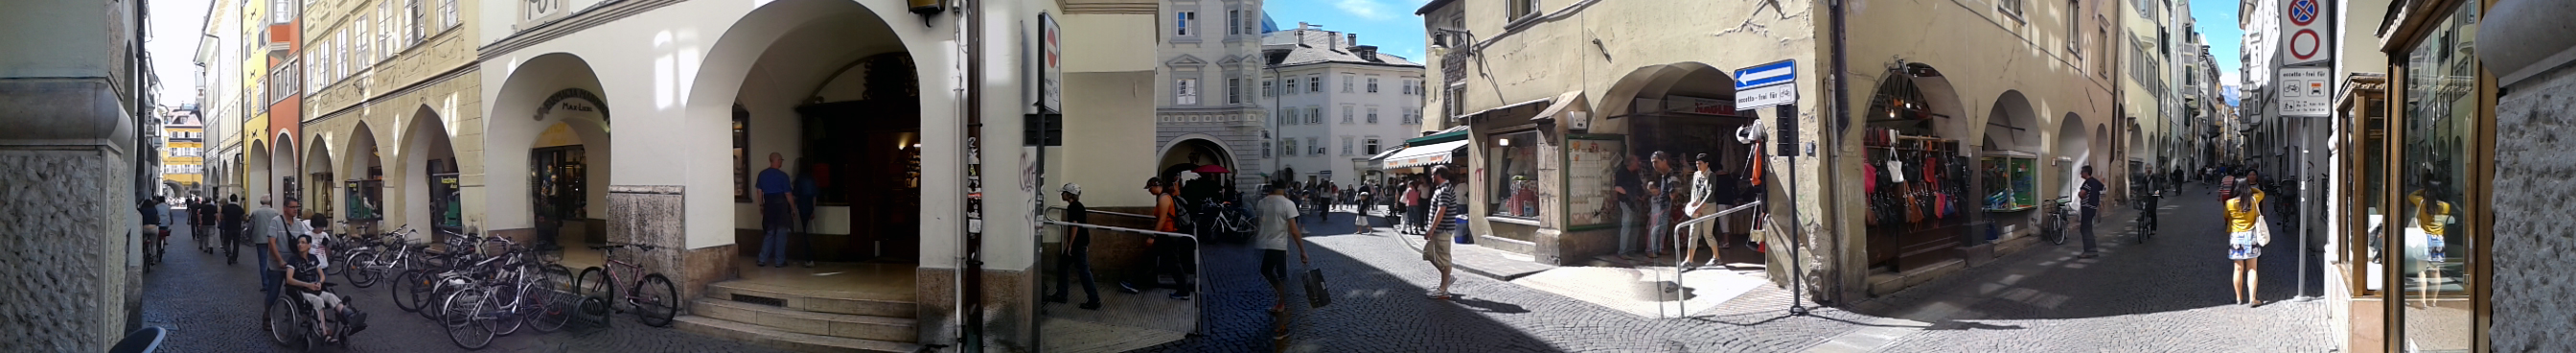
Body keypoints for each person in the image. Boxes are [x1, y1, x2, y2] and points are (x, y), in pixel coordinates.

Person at [282, 235, 362, 341]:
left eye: (303, 242)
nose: (300, 245)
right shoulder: (293, 260)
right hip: (300, 290)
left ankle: (351, 317)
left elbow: (322, 275)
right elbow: (289, 279)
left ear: (309, 245)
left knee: (331, 297)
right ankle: (324, 333)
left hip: (314, 288)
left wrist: (320, 282)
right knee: (318, 300)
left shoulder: (313, 258)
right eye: (298, 243)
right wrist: (307, 285)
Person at [1254, 183, 1309, 320]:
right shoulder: (1286, 204)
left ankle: (1284, 306)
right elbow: (1294, 231)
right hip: (1277, 246)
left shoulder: (1265, 203)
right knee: (1273, 273)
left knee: (1274, 273)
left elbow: (1260, 223)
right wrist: (1302, 250)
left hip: (1273, 246)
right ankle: (1284, 302)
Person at [1045, 183, 1102, 310]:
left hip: (1077, 243)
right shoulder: (1078, 206)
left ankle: (1094, 300)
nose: (1061, 194)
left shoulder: (1073, 207)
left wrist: (1070, 245)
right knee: (1063, 265)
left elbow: (1075, 226)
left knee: (1083, 272)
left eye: (1063, 192)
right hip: (1081, 242)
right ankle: (1061, 294)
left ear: (1069, 194)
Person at [2224, 176, 2267, 306]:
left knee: (2238, 269)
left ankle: (2239, 298)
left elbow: (2226, 216)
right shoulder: (2253, 200)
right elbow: (2261, 193)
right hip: (2251, 236)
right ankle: (2253, 299)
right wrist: (2250, 189)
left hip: (2236, 237)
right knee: (2252, 269)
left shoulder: (2230, 203)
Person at [754, 153, 801, 268]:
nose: (781, 162)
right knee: (781, 233)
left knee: (769, 232)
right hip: (781, 206)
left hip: (768, 205)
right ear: (778, 160)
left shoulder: (762, 174)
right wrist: (793, 208)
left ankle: (762, 259)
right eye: (781, 160)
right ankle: (779, 261)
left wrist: (761, 205)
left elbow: (759, 191)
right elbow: (788, 193)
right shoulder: (783, 176)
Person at [251, 196, 290, 328]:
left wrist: (250, 235)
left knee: (263, 261)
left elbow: (251, 225)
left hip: (260, 238)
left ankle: (265, 283)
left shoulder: (256, 212)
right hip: (274, 242)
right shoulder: (275, 213)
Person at [1424, 166, 1463, 300]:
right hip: (1438, 230)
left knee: (1444, 258)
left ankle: (1443, 290)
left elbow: (1441, 211)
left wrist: (1431, 229)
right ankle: (1448, 278)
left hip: (1442, 230)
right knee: (1428, 253)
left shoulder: (1445, 190)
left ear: (1439, 174)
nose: (1431, 177)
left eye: (1433, 174)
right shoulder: (1440, 189)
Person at [1680, 153, 1721, 269]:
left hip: (1709, 206)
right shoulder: (1696, 175)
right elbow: (1694, 189)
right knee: (1693, 232)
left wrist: (1701, 206)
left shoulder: (1711, 175)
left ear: (1706, 164)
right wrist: (1693, 203)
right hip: (1696, 206)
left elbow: (1710, 192)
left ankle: (1716, 257)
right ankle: (1689, 259)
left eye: (1700, 164)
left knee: (1707, 233)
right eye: (1697, 164)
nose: (1698, 166)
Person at [1612, 154, 1647, 257]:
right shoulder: (1621, 172)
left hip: (1636, 202)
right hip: (1626, 202)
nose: (1638, 163)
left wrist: (1641, 195)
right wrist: (1629, 194)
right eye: (1637, 162)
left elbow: (1638, 185)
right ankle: (1623, 251)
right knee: (1627, 225)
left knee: (1635, 226)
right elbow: (1617, 188)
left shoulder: (1635, 173)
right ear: (1631, 163)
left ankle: (1631, 249)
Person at [1646, 152, 1679, 259]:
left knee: (1661, 227)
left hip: (1665, 203)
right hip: (1660, 202)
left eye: (1656, 162)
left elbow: (1674, 190)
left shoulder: (1670, 174)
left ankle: (1658, 248)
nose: (1654, 165)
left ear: (1664, 161)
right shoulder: (1660, 174)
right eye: (1653, 162)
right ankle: (1651, 249)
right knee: (1656, 226)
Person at [794, 160, 822, 268]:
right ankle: (810, 258)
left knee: (805, 233)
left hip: (802, 205)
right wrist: (813, 210)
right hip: (810, 206)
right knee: (809, 232)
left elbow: (795, 193)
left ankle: (808, 258)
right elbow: (815, 196)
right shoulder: (813, 179)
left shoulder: (799, 179)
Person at [2077, 166, 2106, 258]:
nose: (2080, 174)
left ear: (2086, 173)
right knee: (2088, 228)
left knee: (2085, 229)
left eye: (2082, 172)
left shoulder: (2088, 183)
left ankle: (2089, 250)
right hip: (2093, 207)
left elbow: (2082, 194)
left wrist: (2079, 195)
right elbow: (2103, 188)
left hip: (2087, 207)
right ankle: (2092, 249)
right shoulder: (2095, 182)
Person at [221, 196, 247, 265]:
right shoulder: (240, 209)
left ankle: (229, 253)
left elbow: (222, 217)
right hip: (237, 228)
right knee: (236, 244)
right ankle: (234, 258)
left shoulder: (225, 208)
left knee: (226, 242)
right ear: (236, 200)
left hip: (228, 227)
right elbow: (244, 218)